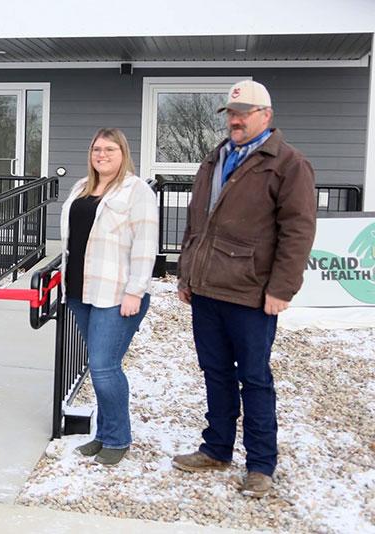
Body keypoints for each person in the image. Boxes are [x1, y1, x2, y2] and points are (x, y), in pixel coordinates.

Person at [174, 80, 316, 497]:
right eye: (231, 113)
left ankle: (260, 465)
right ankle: (217, 448)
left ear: (266, 116)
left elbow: (298, 231)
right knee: (214, 372)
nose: (235, 119)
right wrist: (187, 275)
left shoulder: (288, 164)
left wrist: (282, 288)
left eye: (245, 112)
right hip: (207, 291)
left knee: (254, 379)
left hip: (251, 295)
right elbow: (197, 222)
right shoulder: (215, 158)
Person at [60, 128, 158, 466]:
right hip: (80, 291)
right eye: (96, 149)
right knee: (99, 366)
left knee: (104, 367)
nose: (102, 154)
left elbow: (146, 245)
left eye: (110, 149)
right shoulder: (81, 188)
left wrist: (136, 290)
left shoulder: (137, 191)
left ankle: (118, 439)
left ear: (123, 153)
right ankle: (103, 434)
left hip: (116, 294)